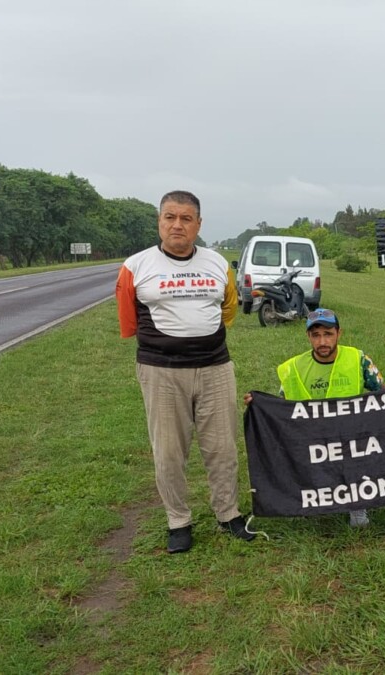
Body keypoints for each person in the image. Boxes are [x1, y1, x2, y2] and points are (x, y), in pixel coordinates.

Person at [116, 190, 254, 554]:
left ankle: (228, 513)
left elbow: (227, 311)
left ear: (198, 224)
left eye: (186, 218)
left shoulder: (217, 263)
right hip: (161, 372)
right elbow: (129, 321)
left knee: (223, 448)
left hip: (215, 368)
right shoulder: (136, 266)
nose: (177, 225)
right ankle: (178, 521)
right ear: (159, 221)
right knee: (169, 452)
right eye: (170, 217)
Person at [266, 307, 384, 528]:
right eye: (316, 335)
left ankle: (356, 506)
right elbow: (281, 409)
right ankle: (309, 500)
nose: (322, 341)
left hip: (349, 438)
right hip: (312, 437)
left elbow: (383, 393)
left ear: (339, 333)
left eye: (328, 334)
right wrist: (258, 406)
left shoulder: (358, 359)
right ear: (308, 337)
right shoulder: (294, 368)